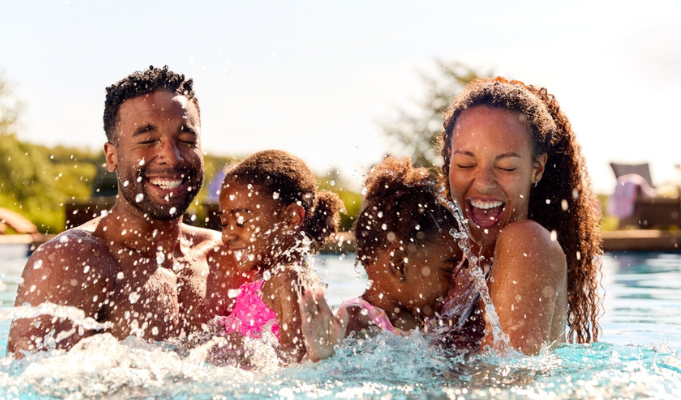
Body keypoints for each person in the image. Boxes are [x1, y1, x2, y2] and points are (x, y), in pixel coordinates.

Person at [7, 66, 246, 357]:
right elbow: (31, 387)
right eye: (147, 140)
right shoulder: (71, 262)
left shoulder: (228, 256)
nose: (171, 155)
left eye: (186, 140)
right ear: (112, 156)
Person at [437, 77, 602, 355]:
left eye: (506, 167)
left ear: (537, 168)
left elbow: (506, 384)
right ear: (449, 159)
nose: (484, 182)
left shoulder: (527, 243)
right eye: (466, 164)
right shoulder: (452, 259)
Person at [299, 156, 461, 362]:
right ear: (400, 266)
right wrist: (323, 356)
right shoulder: (356, 319)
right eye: (448, 270)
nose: (454, 282)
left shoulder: (425, 322)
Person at [217, 150, 344, 363]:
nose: (227, 234)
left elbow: (294, 360)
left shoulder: (288, 279)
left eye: (240, 221)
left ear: (291, 218)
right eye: (224, 223)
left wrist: (236, 356)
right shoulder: (271, 278)